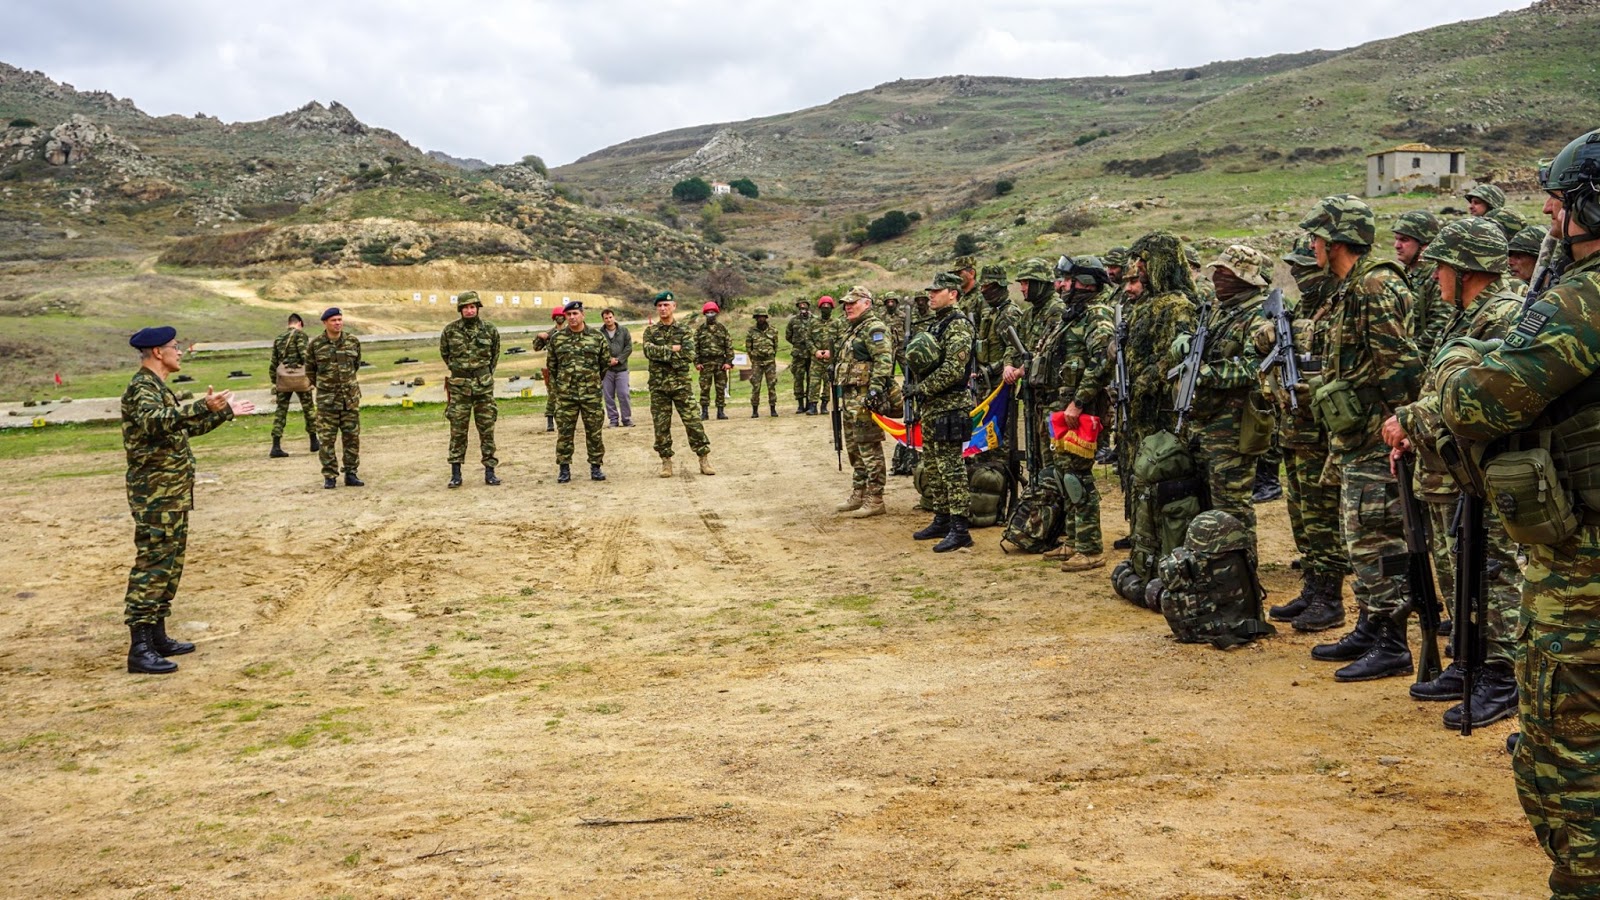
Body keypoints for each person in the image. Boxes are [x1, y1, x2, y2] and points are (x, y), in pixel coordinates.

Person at [1437, 127, 1600, 899]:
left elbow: (1476, 403)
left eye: (1559, 203)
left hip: (1586, 582)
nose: (1548, 216)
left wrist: (1456, 362)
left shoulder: (1586, 296)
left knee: (1570, 765)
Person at [1381, 218, 1524, 727]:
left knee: (1494, 572)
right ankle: (1469, 661)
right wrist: (1413, 431)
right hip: (1450, 467)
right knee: (1458, 569)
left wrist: (1411, 421)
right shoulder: (1466, 313)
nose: (1434, 275)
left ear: (1464, 270)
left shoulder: (1504, 315)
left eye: (1441, 265)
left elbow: (1484, 390)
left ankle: (1502, 676)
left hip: (1486, 469)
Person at [1294, 195, 1421, 681]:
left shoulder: (1374, 285)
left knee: (1379, 541)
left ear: (1336, 239)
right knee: (1360, 539)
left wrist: (1401, 427)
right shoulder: (1346, 288)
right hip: (1355, 435)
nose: (1312, 245)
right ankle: (1371, 624)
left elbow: (1402, 365)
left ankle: (1392, 642)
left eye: (1317, 237)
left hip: (1377, 437)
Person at [120, 326, 254, 674]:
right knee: (152, 565)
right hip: (154, 495)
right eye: (174, 347)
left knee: (170, 564)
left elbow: (181, 428)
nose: (179, 352)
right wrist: (202, 405)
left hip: (172, 492)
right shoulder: (141, 389)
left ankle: (158, 635)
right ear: (157, 353)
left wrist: (223, 412)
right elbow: (155, 422)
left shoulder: (158, 388)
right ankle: (140, 647)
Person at [1260, 246, 1353, 625]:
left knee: (1322, 519)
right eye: (1295, 270)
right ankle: (1313, 587)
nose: (1301, 276)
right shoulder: (1299, 311)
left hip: (1320, 433)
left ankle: (1330, 599)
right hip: (1293, 429)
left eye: (1305, 268)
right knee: (1300, 516)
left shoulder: (1340, 308)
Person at [1181, 245, 1272, 552]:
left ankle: (1242, 574)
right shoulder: (1220, 310)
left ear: (1244, 277)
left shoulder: (1259, 315)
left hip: (1233, 427)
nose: (1217, 277)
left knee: (1232, 508)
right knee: (1205, 504)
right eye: (1216, 271)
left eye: (1225, 272)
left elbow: (1255, 367)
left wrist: (1205, 373)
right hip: (1204, 422)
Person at [1048, 257, 1116, 571]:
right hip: (1066, 409)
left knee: (1078, 477)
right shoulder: (1074, 314)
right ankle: (1074, 540)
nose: (1061, 285)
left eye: (1068, 279)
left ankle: (1090, 547)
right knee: (1065, 474)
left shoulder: (1098, 315)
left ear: (1086, 282)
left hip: (1082, 410)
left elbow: (1102, 362)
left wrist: (1078, 401)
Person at [909, 272, 975, 552]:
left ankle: (960, 529)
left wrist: (922, 388)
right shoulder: (938, 324)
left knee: (952, 469)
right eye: (930, 291)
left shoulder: (958, 326)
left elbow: (953, 370)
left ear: (953, 293)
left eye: (937, 291)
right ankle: (942, 517)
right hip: (934, 407)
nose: (931, 296)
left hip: (951, 405)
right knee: (934, 467)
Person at [833, 287, 895, 518]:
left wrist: (876, 390)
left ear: (867, 303)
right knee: (854, 447)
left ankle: (876, 497)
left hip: (865, 397)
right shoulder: (854, 329)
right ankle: (859, 492)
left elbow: (883, 361)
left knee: (869, 446)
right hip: (850, 398)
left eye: (853, 303)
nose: (847, 306)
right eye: (846, 303)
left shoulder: (874, 328)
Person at [642, 291, 714, 477]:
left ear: (674, 306)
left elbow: (689, 354)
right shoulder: (650, 331)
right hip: (659, 387)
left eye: (666, 305)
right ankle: (666, 462)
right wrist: (672, 350)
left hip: (681, 385)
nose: (663, 308)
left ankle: (703, 458)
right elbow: (648, 352)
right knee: (661, 426)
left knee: (693, 422)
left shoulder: (685, 330)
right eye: (660, 306)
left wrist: (662, 354)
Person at [439, 290, 501, 488]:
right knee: (457, 430)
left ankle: (490, 472)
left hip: (483, 387)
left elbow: (494, 356)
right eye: (465, 307)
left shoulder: (490, 330)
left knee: (487, 429)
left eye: (472, 306)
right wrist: (461, 373)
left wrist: (483, 374)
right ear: (460, 310)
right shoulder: (450, 331)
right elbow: (445, 355)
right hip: (459, 388)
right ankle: (456, 473)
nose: (469, 310)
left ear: (478, 308)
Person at [547, 301, 610, 482]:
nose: (572, 317)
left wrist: (592, 382)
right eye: (569, 315)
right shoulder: (557, 339)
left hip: (591, 394)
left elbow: (604, 364)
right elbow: (552, 366)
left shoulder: (597, 337)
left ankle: (596, 467)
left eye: (575, 313)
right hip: (566, 395)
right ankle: (564, 468)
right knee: (565, 433)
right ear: (565, 317)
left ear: (583, 315)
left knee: (594, 432)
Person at [307, 307, 364, 489]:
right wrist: (327, 387)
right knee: (326, 440)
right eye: (333, 320)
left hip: (350, 400)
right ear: (325, 323)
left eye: (340, 319)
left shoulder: (352, 341)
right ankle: (330, 476)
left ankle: (351, 473)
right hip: (327, 402)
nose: (338, 323)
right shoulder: (315, 345)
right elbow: (310, 371)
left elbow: (355, 365)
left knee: (352, 438)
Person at [1392, 210, 1448, 361]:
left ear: (1424, 244)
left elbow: (1440, 324)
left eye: (1404, 240)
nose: (1397, 245)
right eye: (1396, 239)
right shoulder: (1406, 273)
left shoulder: (1436, 276)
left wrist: (1411, 359)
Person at [268, 312, 316, 458]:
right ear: (300, 323)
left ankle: (276, 445)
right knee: (308, 409)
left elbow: (274, 362)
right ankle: (314, 441)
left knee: (281, 411)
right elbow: (305, 357)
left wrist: (275, 382)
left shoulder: (279, 338)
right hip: (300, 378)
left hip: (283, 378)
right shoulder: (301, 335)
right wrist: (313, 378)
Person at [972, 264, 1022, 394]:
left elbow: (1014, 349)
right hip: (986, 382)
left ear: (998, 286)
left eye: (987, 287)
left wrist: (990, 370)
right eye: (982, 287)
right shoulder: (991, 313)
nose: (982, 291)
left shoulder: (1009, 313)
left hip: (1000, 384)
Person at [695, 301, 734, 420]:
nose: (710, 315)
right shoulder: (700, 330)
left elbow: (729, 346)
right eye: (708, 313)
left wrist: (728, 362)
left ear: (716, 314)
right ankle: (705, 412)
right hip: (705, 363)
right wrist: (697, 362)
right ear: (705, 314)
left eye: (712, 312)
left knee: (720, 387)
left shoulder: (722, 329)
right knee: (705, 388)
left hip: (720, 363)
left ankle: (720, 411)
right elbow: (695, 347)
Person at [808, 295, 845, 415]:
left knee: (828, 382)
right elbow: (808, 339)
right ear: (819, 308)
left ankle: (824, 405)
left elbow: (841, 339)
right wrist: (815, 351)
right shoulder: (813, 322)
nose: (825, 309)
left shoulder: (837, 323)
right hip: (816, 358)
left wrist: (832, 352)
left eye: (828, 307)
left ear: (832, 308)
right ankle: (813, 406)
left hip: (830, 359)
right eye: (823, 307)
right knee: (814, 382)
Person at [533, 305, 566, 432]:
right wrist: (539, 337)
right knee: (552, 396)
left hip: (568, 369)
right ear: (554, 318)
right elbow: (536, 348)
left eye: (562, 316)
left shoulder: (570, 332)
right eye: (557, 316)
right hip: (553, 370)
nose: (560, 318)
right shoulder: (549, 334)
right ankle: (550, 420)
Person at [600, 307, 634, 427]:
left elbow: (629, 347)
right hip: (607, 370)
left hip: (622, 369)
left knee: (624, 394)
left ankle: (626, 418)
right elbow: (598, 349)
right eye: (606, 318)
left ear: (614, 317)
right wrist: (607, 360)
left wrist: (619, 359)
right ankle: (613, 419)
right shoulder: (600, 333)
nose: (609, 320)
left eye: (610, 317)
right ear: (603, 320)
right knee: (608, 395)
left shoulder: (624, 331)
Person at [745, 307, 779, 417]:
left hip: (770, 362)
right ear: (756, 318)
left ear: (766, 317)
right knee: (756, 386)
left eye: (762, 317)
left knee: (772, 385)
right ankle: (755, 410)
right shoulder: (751, 331)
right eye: (758, 317)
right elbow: (748, 347)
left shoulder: (773, 330)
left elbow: (775, 346)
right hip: (757, 363)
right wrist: (754, 359)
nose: (761, 319)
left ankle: (773, 408)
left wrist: (771, 357)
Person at [786, 298, 813, 413]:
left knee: (811, 379)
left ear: (808, 307)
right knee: (798, 379)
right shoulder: (793, 321)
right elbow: (788, 336)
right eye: (800, 307)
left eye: (804, 306)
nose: (803, 308)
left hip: (811, 354)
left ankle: (810, 403)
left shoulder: (814, 320)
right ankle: (800, 404)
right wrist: (797, 344)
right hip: (798, 355)